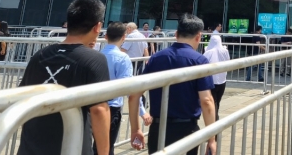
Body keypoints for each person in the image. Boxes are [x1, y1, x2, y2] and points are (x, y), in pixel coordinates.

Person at [18, 0, 111, 155]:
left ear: (68, 22)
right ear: (98, 26)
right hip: (71, 147)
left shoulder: (40, 55)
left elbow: (22, 98)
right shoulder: (94, 59)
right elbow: (99, 110)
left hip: (31, 146)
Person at [129, 14, 216, 155]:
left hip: (158, 128)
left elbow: (134, 96)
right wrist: (211, 139)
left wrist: (135, 129)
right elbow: (206, 101)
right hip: (187, 128)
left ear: (176, 34)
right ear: (199, 37)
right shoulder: (200, 61)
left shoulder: (156, 58)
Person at [95, 22, 152, 155]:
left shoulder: (97, 56)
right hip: (112, 107)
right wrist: (142, 112)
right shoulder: (122, 58)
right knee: (107, 147)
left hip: (95, 105)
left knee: (97, 146)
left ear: (106, 36)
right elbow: (129, 89)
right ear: (124, 37)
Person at [203, 35, 230, 119]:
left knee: (213, 102)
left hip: (211, 80)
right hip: (222, 80)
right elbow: (228, 61)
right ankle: (215, 118)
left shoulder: (207, 52)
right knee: (217, 101)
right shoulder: (225, 51)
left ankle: (214, 119)